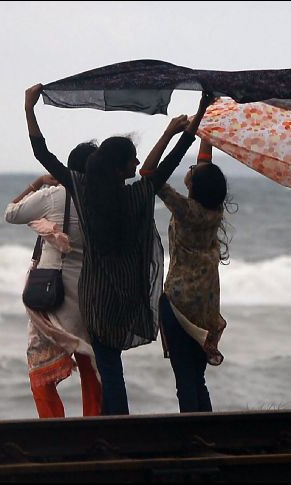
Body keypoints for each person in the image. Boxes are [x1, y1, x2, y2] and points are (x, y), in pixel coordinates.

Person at [23, 83, 215, 415]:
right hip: (126, 296)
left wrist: (29, 109)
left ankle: (117, 427)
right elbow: (164, 165)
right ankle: (116, 426)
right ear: (118, 168)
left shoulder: (83, 192)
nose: (137, 163)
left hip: (95, 298)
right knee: (112, 369)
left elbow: (44, 155)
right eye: (132, 160)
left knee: (110, 369)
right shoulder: (138, 196)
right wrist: (193, 118)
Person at [4, 141, 102, 418]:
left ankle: (53, 427)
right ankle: (94, 425)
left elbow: (12, 213)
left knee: (40, 365)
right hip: (87, 291)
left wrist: (37, 183)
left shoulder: (53, 196)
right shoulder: (102, 197)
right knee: (89, 361)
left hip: (52, 292)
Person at [141, 118, 230, 412]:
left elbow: (148, 172)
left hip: (179, 304)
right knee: (197, 378)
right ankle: (206, 433)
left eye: (192, 169)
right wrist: (206, 121)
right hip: (205, 305)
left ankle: (192, 437)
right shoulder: (213, 211)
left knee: (184, 380)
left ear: (195, 184)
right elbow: (206, 159)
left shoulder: (185, 209)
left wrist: (171, 133)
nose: (190, 168)